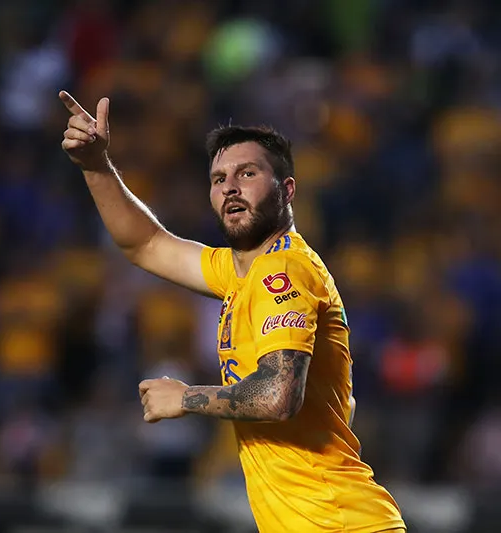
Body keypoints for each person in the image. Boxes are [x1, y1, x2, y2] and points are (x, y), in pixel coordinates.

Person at [58, 91, 406, 533]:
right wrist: (95, 165)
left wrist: (185, 398)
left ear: (288, 189)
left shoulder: (282, 270)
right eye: (219, 178)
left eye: (247, 173)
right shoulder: (240, 270)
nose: (231, 187)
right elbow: (145, 243)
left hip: (338, 523)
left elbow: (279, 396)